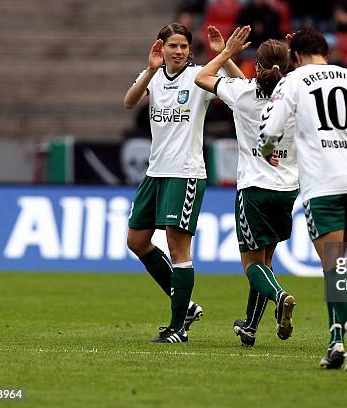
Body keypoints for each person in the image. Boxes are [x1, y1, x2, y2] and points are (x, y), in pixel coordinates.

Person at [258, 27, 347, 371]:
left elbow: (270, 130)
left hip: (324, 184)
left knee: (333, 268)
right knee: (336, 265)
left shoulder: (294, 80)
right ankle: (334, 343)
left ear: (296, 56)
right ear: (325, 52)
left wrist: (268, 150)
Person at [123, 23, 245, 344]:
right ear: (160, 48)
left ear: (190, 50)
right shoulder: (154, 76)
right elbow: (129, 101)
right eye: (172, 46)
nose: (178, 51)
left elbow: (242, 88)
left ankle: (178, 327)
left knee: (179, 249)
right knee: (136, 241)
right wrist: (149, 72)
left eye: (183, 46)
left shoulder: (199, 76)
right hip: (155, 172)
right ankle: (186, 306)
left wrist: (224, 55)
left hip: (186, 173)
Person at [195, 28, 299, 347]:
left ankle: (280, 297)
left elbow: (202, 77)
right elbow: (255, 88)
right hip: (288, 189)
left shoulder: (242, 93)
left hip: (254, 189)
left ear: (256, 64)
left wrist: (225, 53)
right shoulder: (297, 97)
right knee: (265, 262)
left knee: (252, 265)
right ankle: (250, 327)